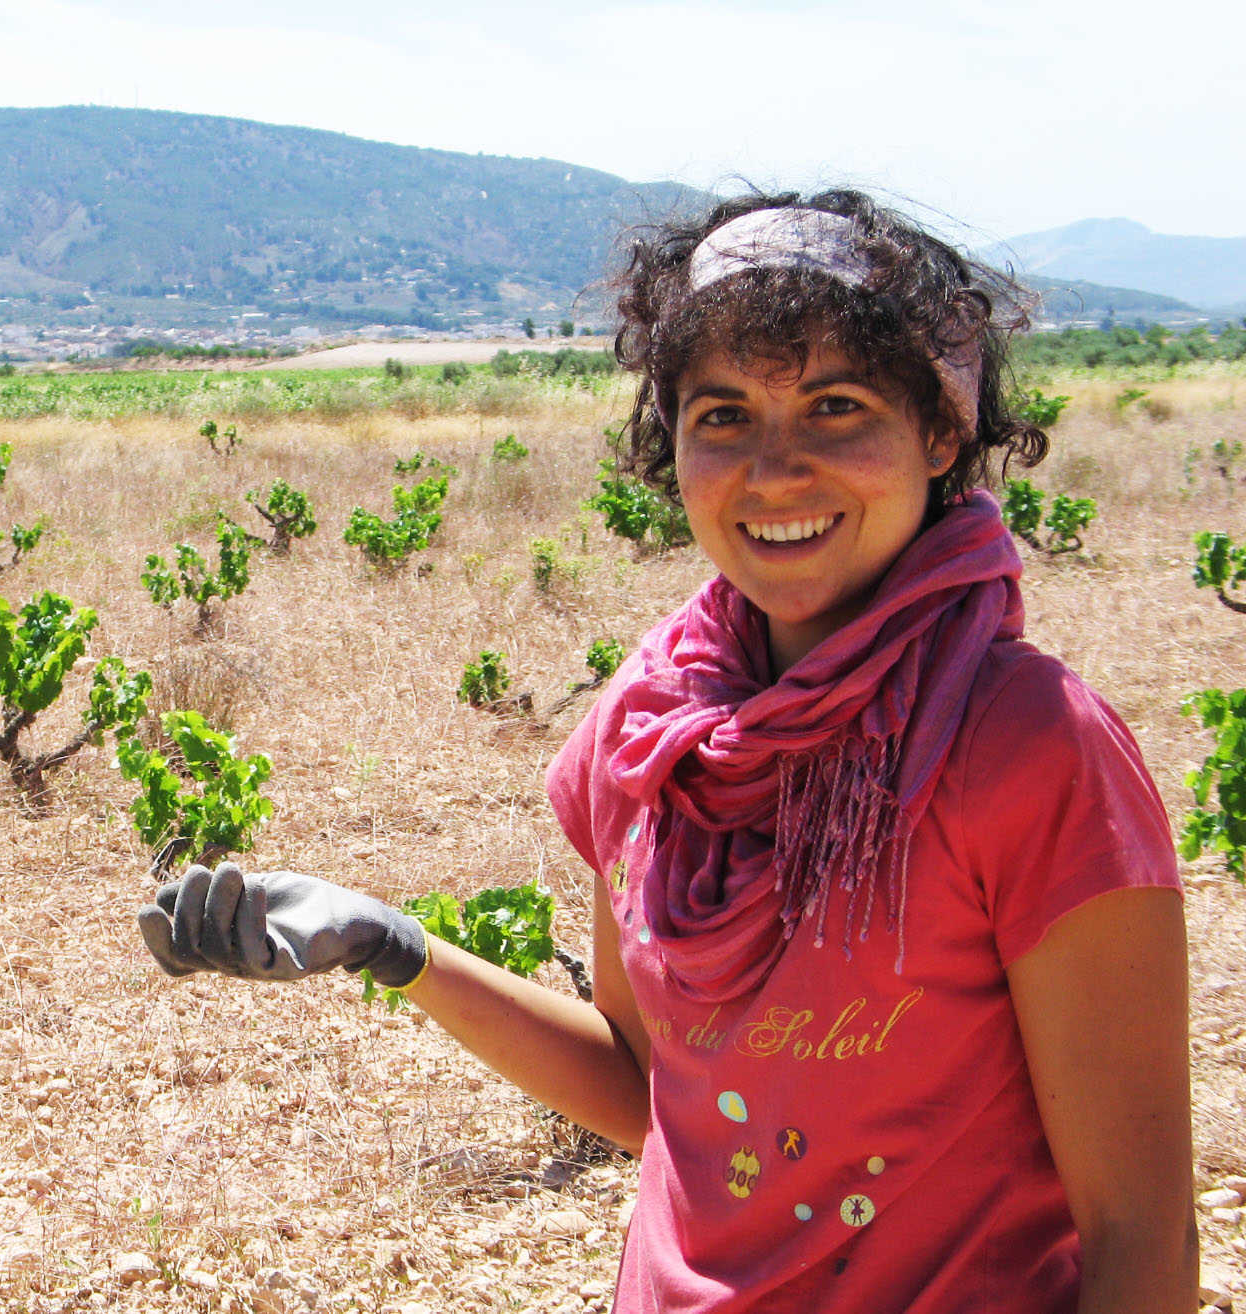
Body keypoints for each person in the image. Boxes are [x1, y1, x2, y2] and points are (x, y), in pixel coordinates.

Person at [136, 190, 1197, 1313]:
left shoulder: (1031, 749)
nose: (773, 469)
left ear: (939, 433)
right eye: (723, 415)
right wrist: (393, 945)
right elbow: (646, 1087)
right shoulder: (650, 736)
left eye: (836, 407)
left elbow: (1138, 1236)